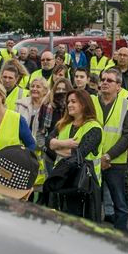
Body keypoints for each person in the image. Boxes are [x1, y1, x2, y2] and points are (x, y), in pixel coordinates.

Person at [47, 89, 103, 218]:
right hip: (61, 180)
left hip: (83, 185)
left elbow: (78, 154)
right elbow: (48, 142)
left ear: (84, 104)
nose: (69, 105)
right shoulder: (63, 124)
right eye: (68, 102)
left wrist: (56, 146)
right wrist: (66, 143)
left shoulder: (94, 128)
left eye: (73, 102)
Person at [94, 68, 128, 233]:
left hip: (115, 162)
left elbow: (127, 135)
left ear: (118, 86)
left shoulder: (127, 104)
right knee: (94, 200)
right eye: (103, 79)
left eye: (109, 80)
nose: (104, 82)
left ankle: (121, 234)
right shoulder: (92, 101)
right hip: (93, 160)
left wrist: (108, 156)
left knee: (119, 202)